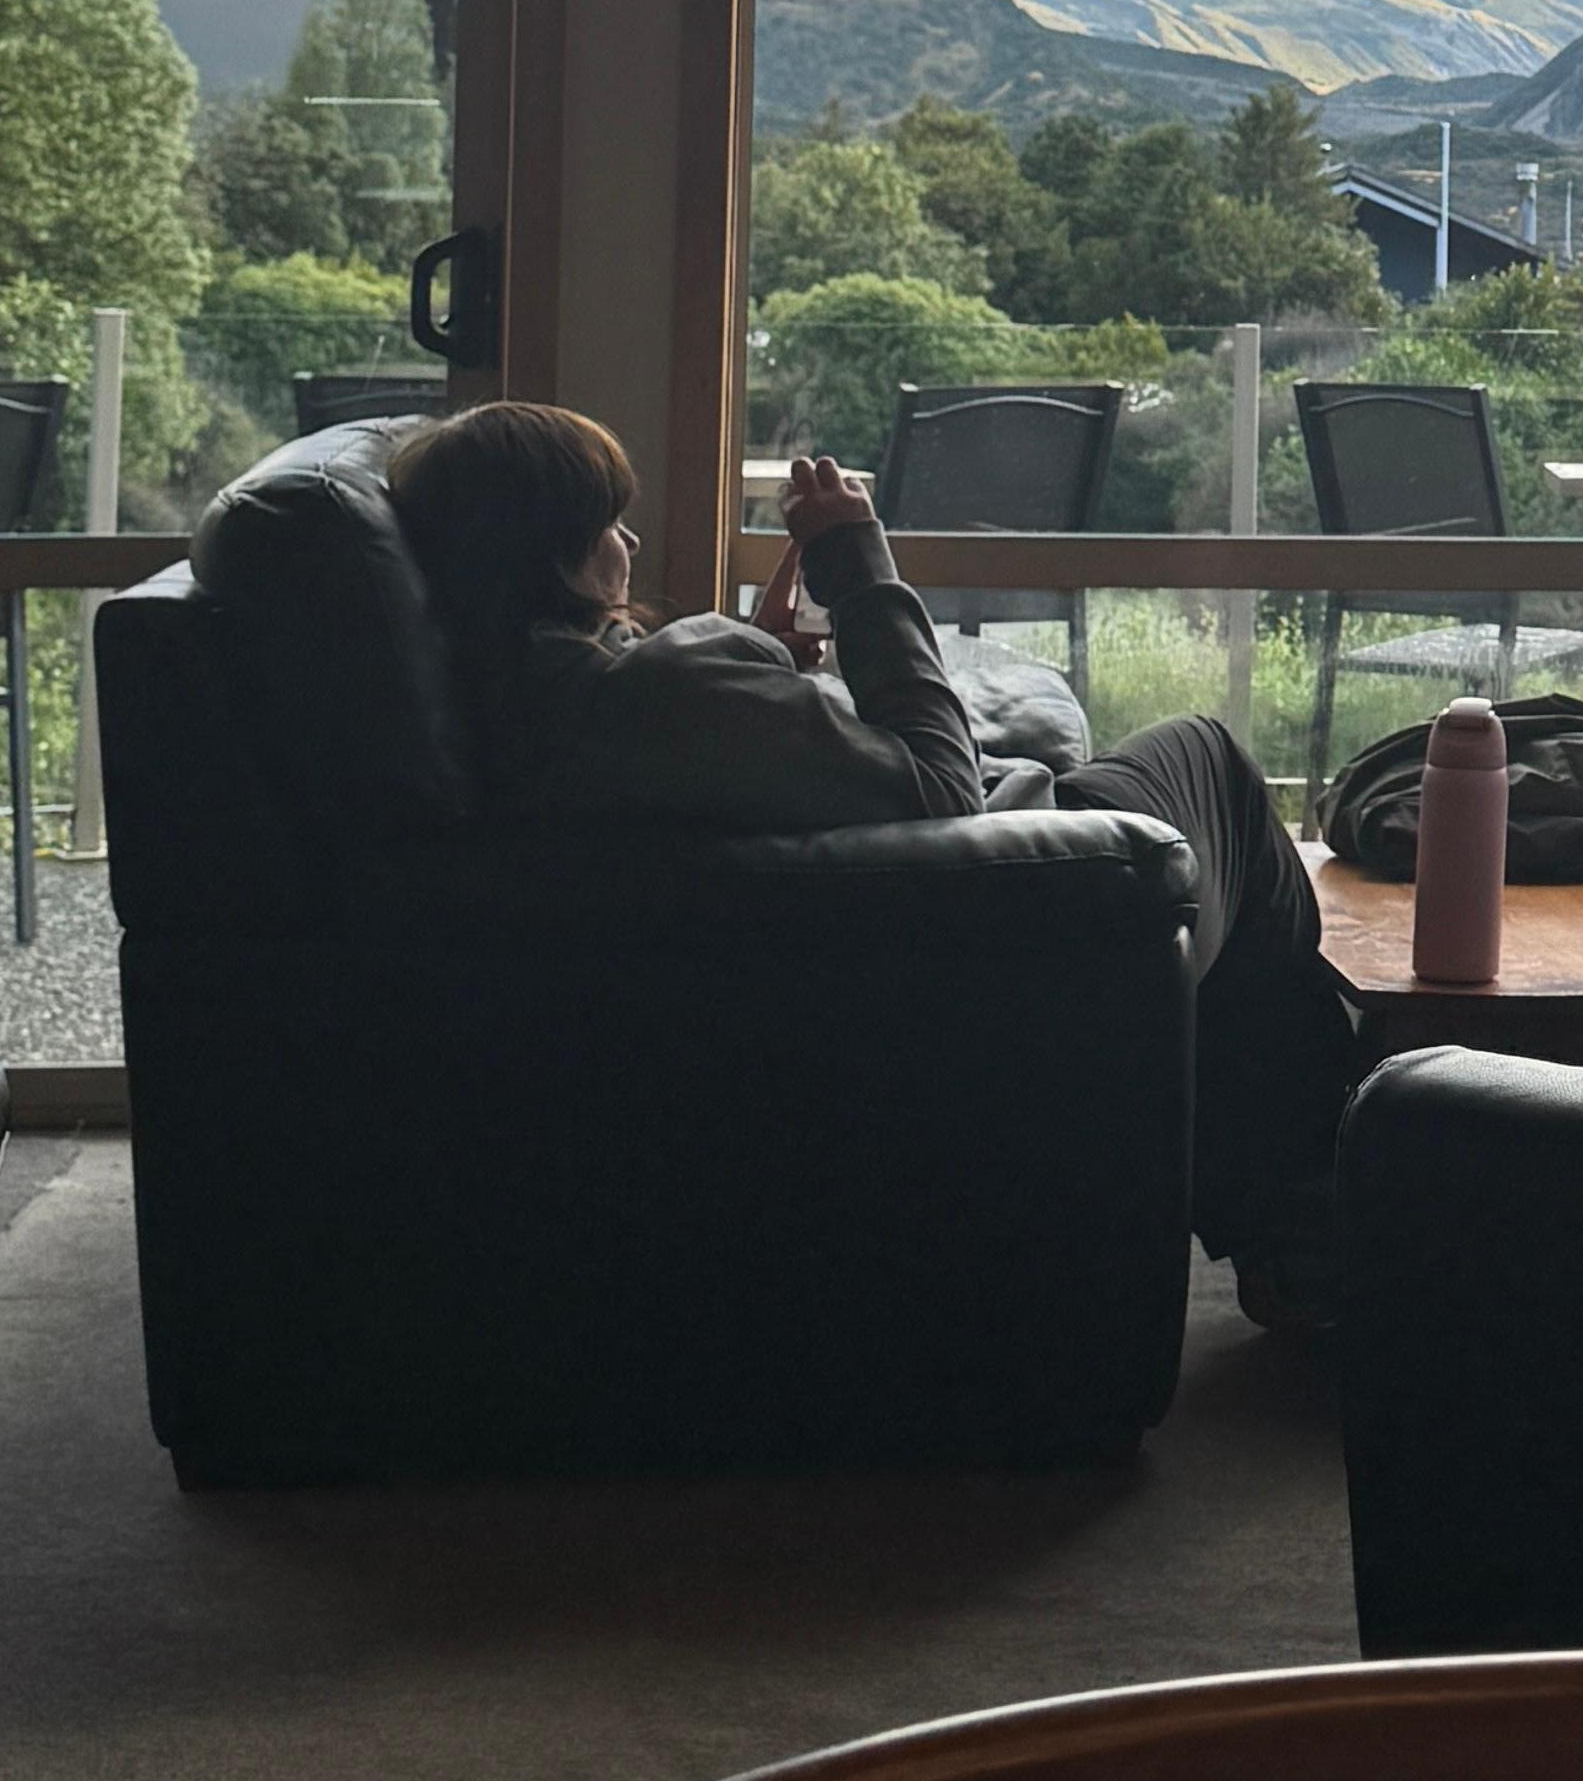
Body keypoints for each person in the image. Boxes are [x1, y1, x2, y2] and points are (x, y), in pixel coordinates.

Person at [382, 403, 1351, 1323]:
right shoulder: (655, 703)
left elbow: (714, 745)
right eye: (607, 524)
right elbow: (945, 795)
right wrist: (858, 565)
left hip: (915, 903)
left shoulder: (505, 710)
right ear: (550, 552)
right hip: (1018, 900)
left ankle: (1283, 1208)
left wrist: (761, 663)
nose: (629, 541)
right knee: (1214, 765)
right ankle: (1302, 1217)